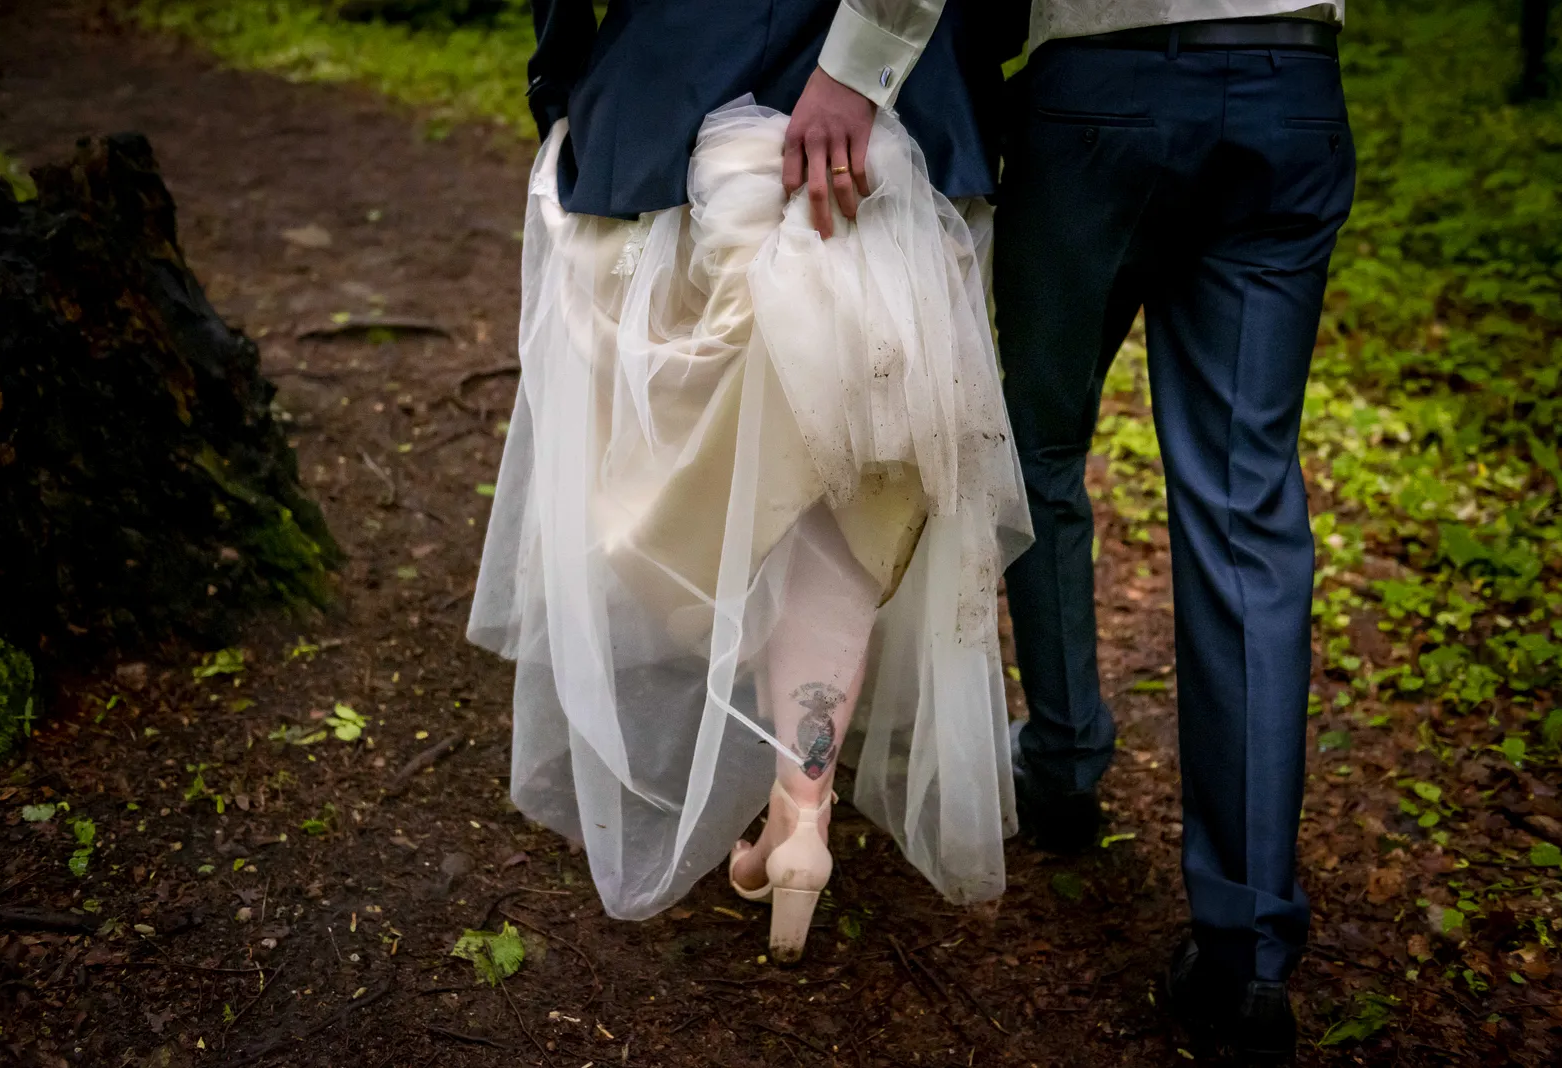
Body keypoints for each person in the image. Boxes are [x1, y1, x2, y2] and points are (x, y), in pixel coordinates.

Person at [797, 1, 1355, 1062]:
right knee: (1245, 508)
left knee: (1041, 450)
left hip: (1099, 93)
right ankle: (1244, 951)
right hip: (1291, 84)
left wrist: (857, 67)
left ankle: (1061, 764)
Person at [468, 1, 1031, 965]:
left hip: (677, 72)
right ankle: (801, 809)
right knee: (842, 471)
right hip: (900, 100)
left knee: (719, 453)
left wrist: (563, 68)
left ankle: (782, 796)